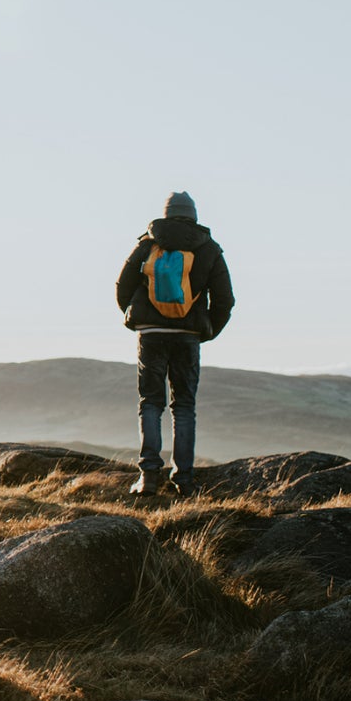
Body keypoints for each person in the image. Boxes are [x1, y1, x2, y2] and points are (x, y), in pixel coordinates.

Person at [115, 191, 234, 497]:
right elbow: (225, 299)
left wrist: (135, 317)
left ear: (167, 214)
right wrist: (206, 330)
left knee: (150, 403)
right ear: (193, 215)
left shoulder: (147, 244)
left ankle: (149, 478)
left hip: (151, 333)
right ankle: (184, 479)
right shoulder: (209, 248)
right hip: (187, 336)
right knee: (184, 407)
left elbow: (122, 285)